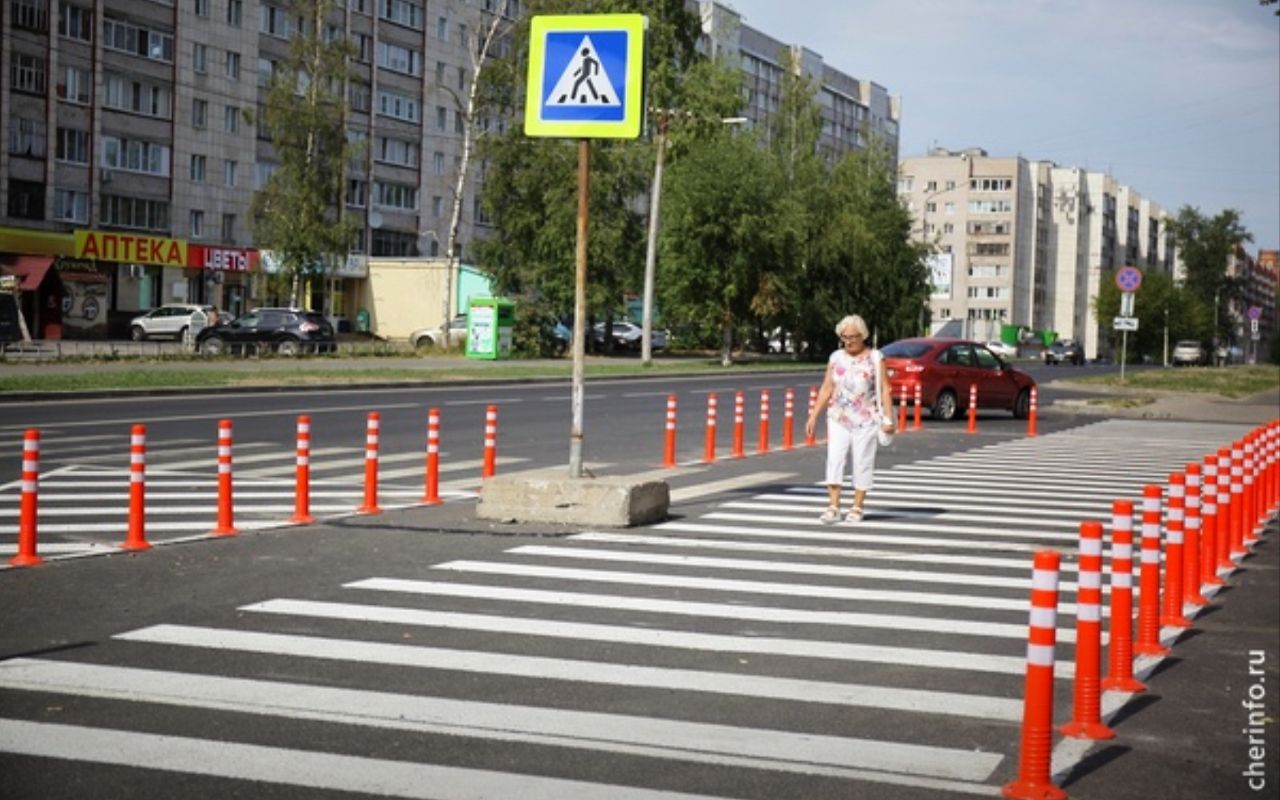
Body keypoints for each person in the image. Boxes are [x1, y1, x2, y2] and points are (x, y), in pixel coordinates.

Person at [803, 314, 894, 524]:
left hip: (866, 419)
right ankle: (833, 506)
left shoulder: (875, 358)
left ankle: (857, 507)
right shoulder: (836, 358)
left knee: (862, 461)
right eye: (845, 337)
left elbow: (884, 389)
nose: (849, 341)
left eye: (853, 336)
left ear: (862, 335)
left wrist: (888, 419)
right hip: (838, 417)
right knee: (835, 459)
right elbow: (827, 387)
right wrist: (813, 415)